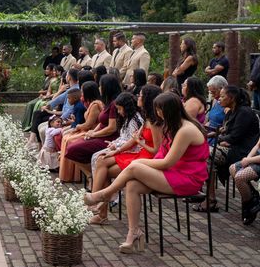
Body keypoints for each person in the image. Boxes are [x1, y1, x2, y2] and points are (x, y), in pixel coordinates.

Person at [83, 92, 208, 253]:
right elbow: (162, 155)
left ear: (167, 111)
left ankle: (104, 195)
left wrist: (139, 162)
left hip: (187, 179)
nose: (157, 114)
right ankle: (133, 232)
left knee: (134, 167)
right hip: (173, 172)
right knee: (132, 184)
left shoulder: (186, 130)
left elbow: (167, 162)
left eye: (159, 110)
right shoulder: (173, 125)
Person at [89, 89, 162, 224]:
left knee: (104, 169)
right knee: (101, 160)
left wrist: (140, 142)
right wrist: (115, 151)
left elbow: (156, 150)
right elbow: (132, 140)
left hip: (145, 157)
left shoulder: (154, 122)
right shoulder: (146, 118)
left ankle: (98, 207)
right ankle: (96, 203)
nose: (138, 97)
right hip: (137, 152)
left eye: (141, 95)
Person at [196, 85, 260, 212]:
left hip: (243, 151)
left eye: (222, 96)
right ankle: (199, 191)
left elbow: (234, 137)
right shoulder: (231, 111)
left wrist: (222, 139)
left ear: (232, 98)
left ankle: (211, 199)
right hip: (233, 147)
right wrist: (211, 135)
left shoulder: (244, 112)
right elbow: (225, 131)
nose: (219, 99)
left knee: (207, 155)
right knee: (201, 152)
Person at [64, 74, 122, 175]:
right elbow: (102, 122)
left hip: (109, 138)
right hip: (100, 134)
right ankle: (91, 175)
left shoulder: (114, 104)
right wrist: (93, 132)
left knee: (72, 149)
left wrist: (94, 134)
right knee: (71, 147)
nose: (99, 88)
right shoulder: (107, 102)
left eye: (101, 85)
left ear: (107, 87)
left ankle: (92, 175)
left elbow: (112, 128)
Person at [58, 81, 104, 182]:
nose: (81, 94)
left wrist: (77, 126)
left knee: (69, 141)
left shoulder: (95, 105)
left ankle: (84, 175)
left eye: (83, 92)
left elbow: (88, 124)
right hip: (87, 130)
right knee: (66, 137)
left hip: (90, 131)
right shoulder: (89, 104)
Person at [229, 135, 260, 224]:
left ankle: (248, 204)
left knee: (240, 177)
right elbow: (257, 145)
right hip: (255, 158)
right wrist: (247, 158)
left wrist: (249, 160)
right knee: (232, 168)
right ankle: (252, 200)